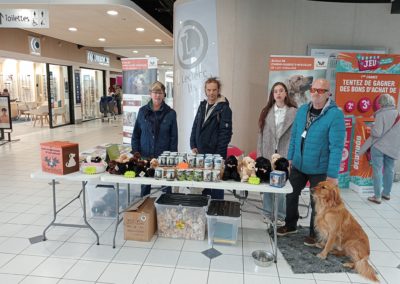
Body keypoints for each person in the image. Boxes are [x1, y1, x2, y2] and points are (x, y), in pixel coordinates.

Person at [277, 78, 345, 247]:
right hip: (299, 164)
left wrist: (332, 175)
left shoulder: (335, 115)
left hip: (320, 168)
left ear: (328, 93)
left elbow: (336, 147)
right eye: (313, 90)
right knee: (290, 194)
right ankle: (290, 224)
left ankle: (315, 233)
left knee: (318, 203)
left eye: (320, 90)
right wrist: (290, 158)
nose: (315, 93)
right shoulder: (302, 111)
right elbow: (294, 137)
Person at [257, 82, 297, 224]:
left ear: (286, 93)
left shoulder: (294, 112)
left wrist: (293, 156)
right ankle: (267, 213)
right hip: (268, 151)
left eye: (281, 91)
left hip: (284, 153)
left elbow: (297, 135)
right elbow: (260, 135)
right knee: (268, 183)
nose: (278, 94)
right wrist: (259, 156)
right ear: (272, 95)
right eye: (275, 91)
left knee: (282, 184)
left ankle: (280, 215)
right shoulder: (266, 111)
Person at [131, 81, 178, 196]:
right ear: (150, 94)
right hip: (145, 156)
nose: (157, 95)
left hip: (164, 157)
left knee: (166, 187)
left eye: (160, 92)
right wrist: (136, 153)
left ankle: (165, 208)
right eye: (154, 92)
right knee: (145, 186)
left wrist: (172, 158)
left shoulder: (170, 113)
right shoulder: (142, 111)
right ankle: (145, 209)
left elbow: (174, 138)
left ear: (164, 95)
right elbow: (136, 134)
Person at [190, 77, 233, 199]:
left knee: (216, 187)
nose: (211, 93)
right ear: (205, 90)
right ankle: (205, 210)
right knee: (204, 185)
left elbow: (225, 134)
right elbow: (195, 125)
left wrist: (219, 156)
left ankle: (218, 211)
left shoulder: (224, 108)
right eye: (209, 90)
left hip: (216, 154)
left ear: (218, 90)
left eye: (214, 90)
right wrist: (193, 144)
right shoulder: (202, 105)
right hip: (201, 152)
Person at [361, 94, 400, 204]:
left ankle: (377, 196)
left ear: (381, 103)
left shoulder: (380, 115)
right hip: (393, 147)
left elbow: (377, 133)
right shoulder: (398, 114)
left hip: (379, 147)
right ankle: (386, 193)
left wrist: (372, 126)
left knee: (377, 170)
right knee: (390, 169)